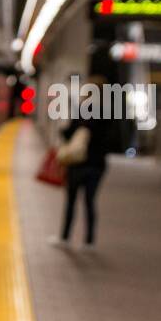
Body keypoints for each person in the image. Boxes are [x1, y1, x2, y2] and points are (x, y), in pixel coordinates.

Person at [51, 107, 111, 249]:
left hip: (77, 165)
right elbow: (111, 142)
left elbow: (68, 134)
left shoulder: (82, 114)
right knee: (90, 202)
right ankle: (89, 241)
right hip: (97, 166)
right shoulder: (107, 117)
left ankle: (65, 237)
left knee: (71, 202)